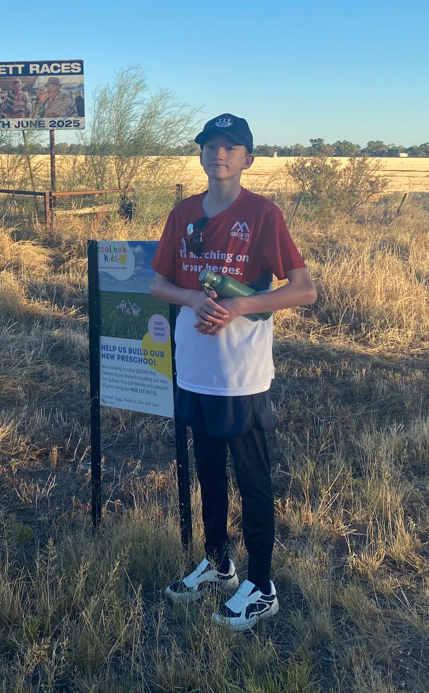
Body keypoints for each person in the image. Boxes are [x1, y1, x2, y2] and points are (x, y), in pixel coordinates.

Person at [149, 113, 316, 631]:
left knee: (253, 480)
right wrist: (192, 298)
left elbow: (304, 290)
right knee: (209, 471)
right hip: (193, 368)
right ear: (200, 154)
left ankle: (262, 587)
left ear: (248, 158)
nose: (218, 154)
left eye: (230, 147)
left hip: (241, 373)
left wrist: (240, 306)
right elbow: (158, 284)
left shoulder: (263, 214)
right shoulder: (182, 214)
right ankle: (219, 564)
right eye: (210, 146)